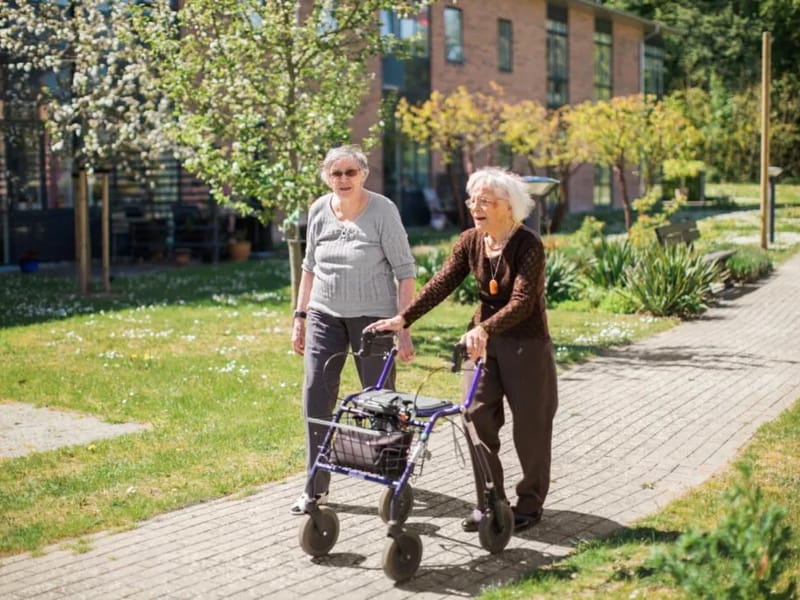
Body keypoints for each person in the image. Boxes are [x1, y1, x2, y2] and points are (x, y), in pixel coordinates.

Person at [368, 166, 558, 532]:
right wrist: (404, 318)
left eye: (485, 201)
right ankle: (491, 502)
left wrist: (485, 327)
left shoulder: (527, 244)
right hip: (482, 343)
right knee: (475, 417)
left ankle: (530, 504)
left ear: (508, 206)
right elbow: (441, 283)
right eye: (473, 199)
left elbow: (522, 302)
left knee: (531, 428)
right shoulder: (471, 240)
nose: (476, 206)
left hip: (526, 344)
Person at [290, 145, 416, 515]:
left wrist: (402, 326)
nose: (343, 180)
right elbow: (309, 267)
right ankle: (315, 489)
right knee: (316, 397)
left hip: (374, 321)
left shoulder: (383, 211)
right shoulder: (317, 210)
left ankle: (393, 482)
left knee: (380, 404)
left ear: (363, 174)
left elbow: (405, 272)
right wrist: (300, 317)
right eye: (336, 173)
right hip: (325, 317)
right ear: (326, 177)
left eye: (350, 172)